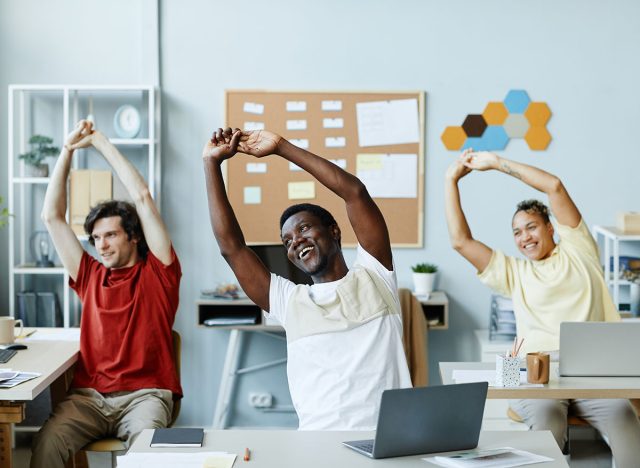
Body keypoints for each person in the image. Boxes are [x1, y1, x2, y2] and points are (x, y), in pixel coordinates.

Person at [202, 127, 411, 430]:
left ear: (334, 232)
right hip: (318, 446)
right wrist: (210, 163)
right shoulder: (289, 301)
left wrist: (282, 148)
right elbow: (231, 248)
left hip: (388, 437)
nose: (295, 242)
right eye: (286, 241)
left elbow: (354, 192)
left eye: (303, 229)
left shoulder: (376, 275)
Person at [445, 149, 640, 466]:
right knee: (547, 429)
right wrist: (450, 180)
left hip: (592, 375)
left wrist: (496, 164)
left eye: (531, 227)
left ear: (551, 227)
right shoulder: (515, 273)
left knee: (625, 421)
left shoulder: (579, 251)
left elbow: (554, 186)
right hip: (539, 377)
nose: (524, 237)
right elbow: (460, 241)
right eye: (517, 232)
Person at [32, 120, 182, 467]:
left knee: (146, 458)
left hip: (145, 396)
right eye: (96, 238)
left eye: (111, 235)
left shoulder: (159, 272)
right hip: (88, 398)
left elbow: (143, 198)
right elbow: (51, 216)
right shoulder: (89, 275)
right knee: (47, 445)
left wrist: (99, 141)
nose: (101, 245)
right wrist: (67, 150)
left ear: (133, 236)